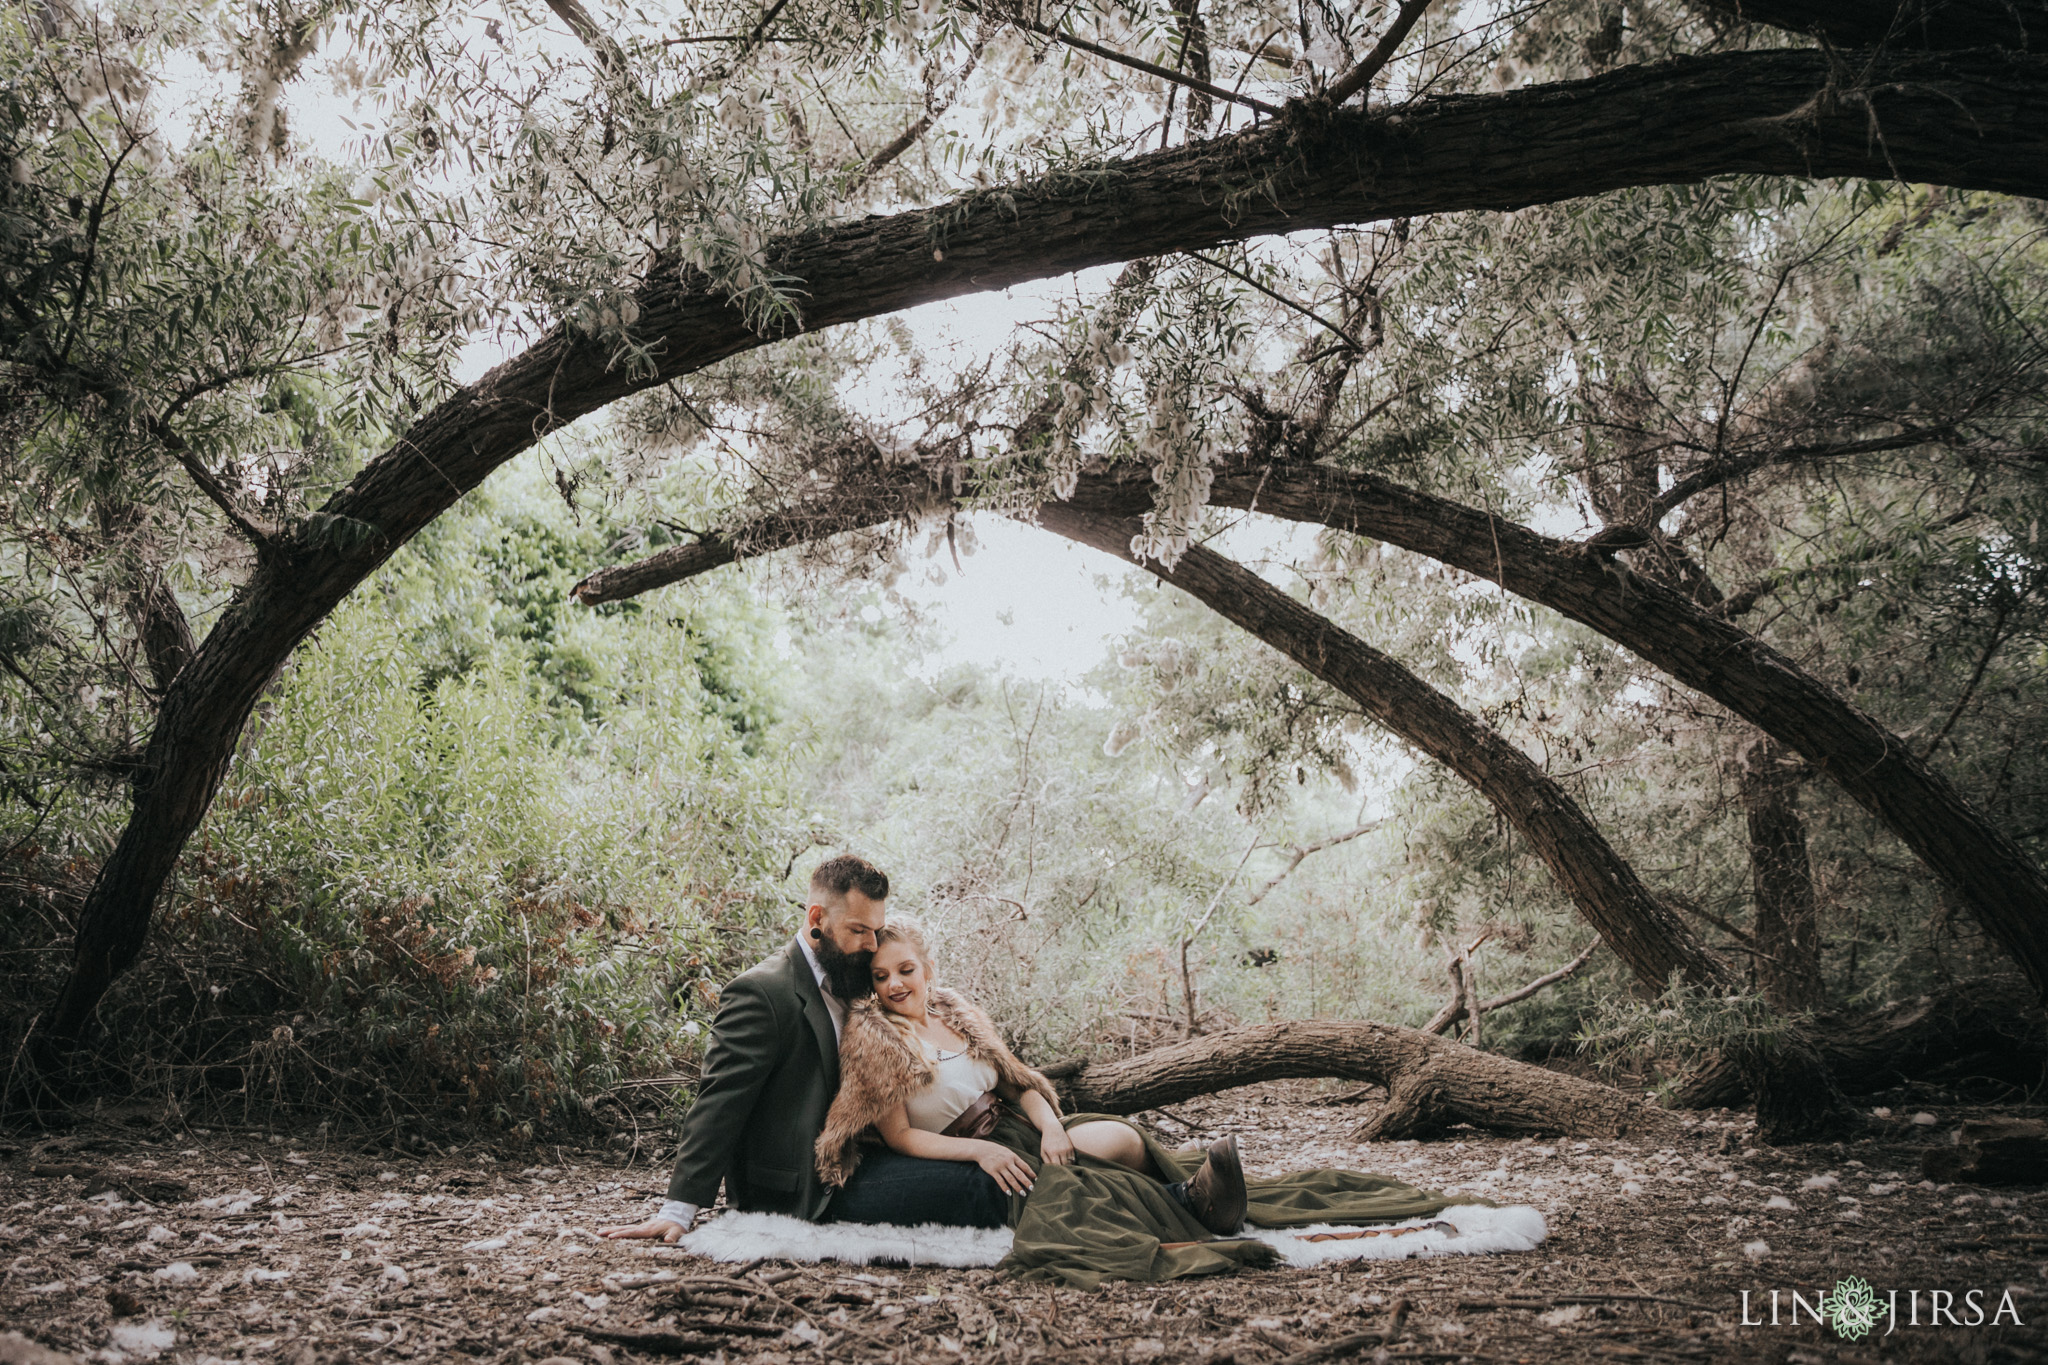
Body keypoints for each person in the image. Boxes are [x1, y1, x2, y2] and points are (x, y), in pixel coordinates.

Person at [816, 916, 1468, 1288]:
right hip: (971, 1147)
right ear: (868, 984)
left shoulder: (959, 1012)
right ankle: (1191, 1211)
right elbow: (901, 1138)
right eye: (881, 976)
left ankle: (1189, 1195)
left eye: (907, 969)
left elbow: (1019, 1083)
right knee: (1077, 1186)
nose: (897, 984)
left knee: (1121, 1138)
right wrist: (983, 1150)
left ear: (928, 968)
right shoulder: (875, 1039)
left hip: (1019, 1126)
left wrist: (1047, 1125)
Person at [601, 857, 1007, 1243]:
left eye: (876, 930)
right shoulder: (762, 992)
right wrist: (677, 1212)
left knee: (999, 1167)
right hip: (805, 1186)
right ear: (817, 919)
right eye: (859, 930)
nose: (871, 944)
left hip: (866, 1158)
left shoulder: (856, 978)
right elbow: (719, 1102)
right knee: (980, 1187)